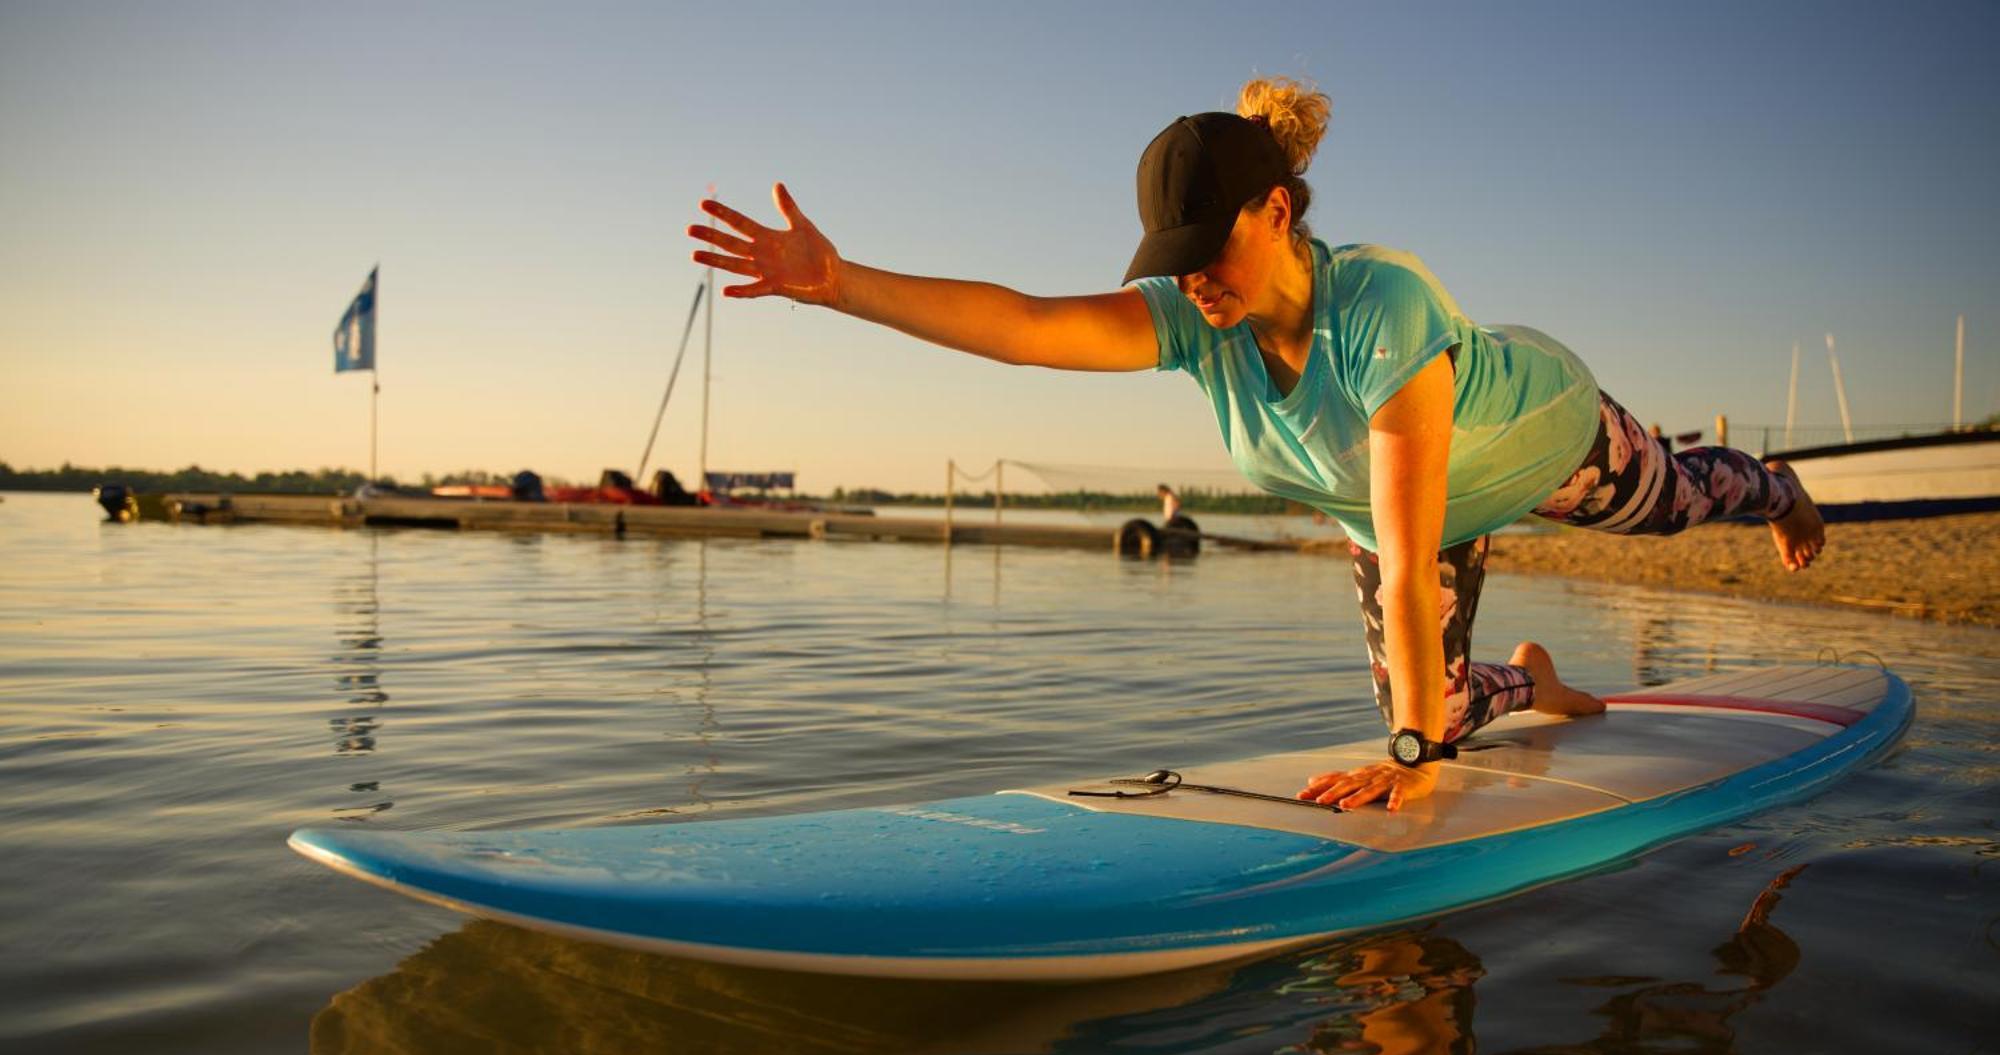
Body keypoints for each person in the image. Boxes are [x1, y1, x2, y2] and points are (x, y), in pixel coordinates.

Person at [688, 77, 1824, 813]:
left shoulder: (1379, 306)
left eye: (1206, 244)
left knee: (1677, 497)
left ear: (1278, 213)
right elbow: (1031, 326)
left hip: (1536, 436)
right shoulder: (1198, 322)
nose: (1189, 276)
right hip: (1401, 515)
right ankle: (1529, 681)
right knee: (1426, 707)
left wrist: (1412, 764)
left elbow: (1404, 526)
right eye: (1170, 253)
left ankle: (1775, 489)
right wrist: (839, 286)